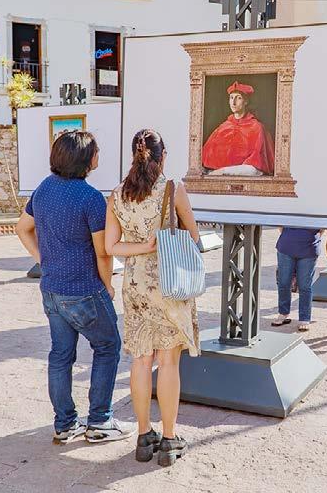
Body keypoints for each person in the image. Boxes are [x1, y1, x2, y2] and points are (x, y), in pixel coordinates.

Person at [15, 131, 134, 445]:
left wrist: (43, 258)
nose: (98, 155)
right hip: (84, 289)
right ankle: (100, 421)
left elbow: (22, 228)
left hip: (51, 288)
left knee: (60, 355)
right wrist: (108, 285)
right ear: (86, 159)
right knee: (107, 347)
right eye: (96, 151)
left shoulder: (43, 189)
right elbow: (103, 252)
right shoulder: (91, 198)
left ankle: (65, 424)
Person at [105, 129, 200, 467]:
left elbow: (111, 247)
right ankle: (170, 440)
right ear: (163, 157)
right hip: (169, 285)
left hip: (135, 287)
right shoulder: (173, 189)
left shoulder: (117, 195)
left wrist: (142, 245)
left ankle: (144, 436)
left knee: (141, 360)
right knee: (169, 362)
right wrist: (158, 241)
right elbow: (194, 236)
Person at [201, 81, 275, 177]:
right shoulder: (223, 127)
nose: (234, 102)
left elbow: (256, 169)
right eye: (231, 98)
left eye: (238, 98)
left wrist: (223, 171)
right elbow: (204, 160)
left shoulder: (257, 127)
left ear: (246, 101)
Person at [272, 228, 322, 332]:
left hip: (309, 249)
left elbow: (323, 227)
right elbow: (280, 225)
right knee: (283, 282)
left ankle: (304, 318)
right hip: (286, 247)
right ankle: (283, 313)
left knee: (304, 286)